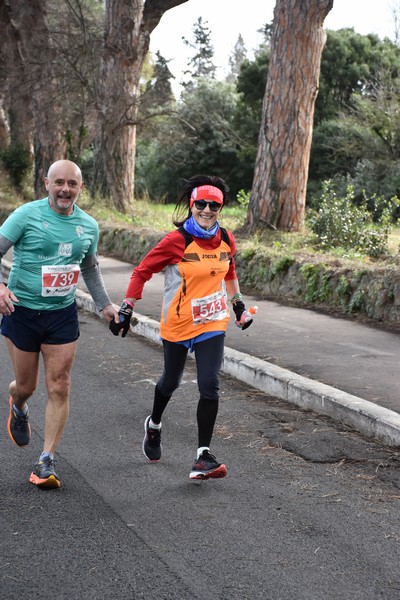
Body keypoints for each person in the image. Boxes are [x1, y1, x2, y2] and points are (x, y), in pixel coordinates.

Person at [110, 174, 253, 480]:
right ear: (192, 204)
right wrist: (127, 306)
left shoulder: (227, 239)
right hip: (177, 324)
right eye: (201, 203)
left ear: (221, 208)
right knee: (170, 382)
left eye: (214, 205)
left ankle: (203, 455)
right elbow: (142, 270)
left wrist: (238, 306)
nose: (207, 209)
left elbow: (230, 272)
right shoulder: (177, 241)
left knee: (209, 384)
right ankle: (154, 424)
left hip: (212, 324)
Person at [0, 159, 118, 489]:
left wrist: (105, 305)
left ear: (81, 188)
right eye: (59, 183)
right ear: (47, 184)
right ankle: (18, 403)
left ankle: (46, 459)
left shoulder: (88, 226)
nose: (65, 189)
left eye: (72, 184)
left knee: (60, 384)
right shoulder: (27, 215)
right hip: (21, 311)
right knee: (27, 386)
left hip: (62, 314)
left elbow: (90, 268)